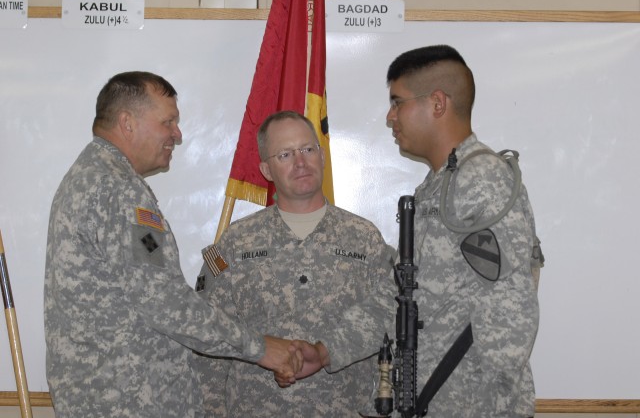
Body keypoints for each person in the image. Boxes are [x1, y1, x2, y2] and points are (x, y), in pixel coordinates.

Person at [294, 45, 542, 417]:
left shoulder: (482, 180)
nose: (390, 117)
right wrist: (327, 350)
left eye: (398, 102)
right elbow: (398, 296)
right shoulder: (440, 186)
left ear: (437, 103)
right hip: (428, 400)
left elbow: (511, 313)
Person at [43, 72, 301, 418]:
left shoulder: (90, 177)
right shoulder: (117, 189)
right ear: (127, 123)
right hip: (129, 402)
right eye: (169, 122)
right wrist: (260, 348)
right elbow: (165, 303)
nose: (177, 135)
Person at [192, 110, 396, 417]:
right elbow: (208, 340)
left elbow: (392, 322)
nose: (300, 162)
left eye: (307, 149)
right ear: (267, 169)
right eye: (285, 154)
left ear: (322, 156)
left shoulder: (364, 239)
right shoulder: (236, 243)